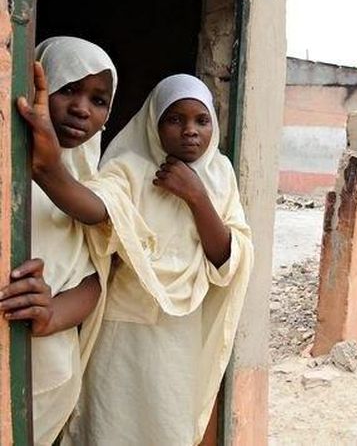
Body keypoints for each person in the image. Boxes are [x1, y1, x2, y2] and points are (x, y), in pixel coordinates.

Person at [19, 72, 254, 445]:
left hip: (178, 338)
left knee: (166, 429)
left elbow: (228, 258)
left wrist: (196, 196)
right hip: (121, 334)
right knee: (110, 427)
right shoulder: (129, 168)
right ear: (153, 122)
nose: (190, 130)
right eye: (175, 119)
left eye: (201, 120)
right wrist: (49, 170)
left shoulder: (220, 175)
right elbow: (96, 208)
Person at [1, 36, 117, 446]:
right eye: (68, 88)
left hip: (50, 373)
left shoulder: (97, 185)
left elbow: (97, 279)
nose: (82, 108)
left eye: (99, 100)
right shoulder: (6, 169)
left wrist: (51, 313)